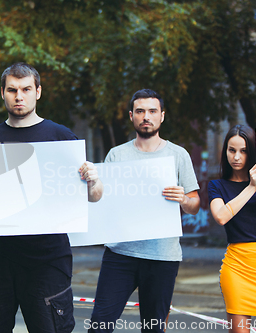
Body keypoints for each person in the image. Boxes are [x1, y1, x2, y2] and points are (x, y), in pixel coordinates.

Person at [0, 62, 104, 333]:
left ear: (38, 92)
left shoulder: (61, 138)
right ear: (2, 93)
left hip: (47, 262)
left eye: (26, 89)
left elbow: (94, 197)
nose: (19, 96)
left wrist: (94, 180)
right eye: (12, 90)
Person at [88, 89, 200, 333]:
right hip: (120, 254)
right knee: (99, 326)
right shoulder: (116, 155)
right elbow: (101, 201)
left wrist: (183, 199)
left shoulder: (178, 155)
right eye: (140, 111)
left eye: (152, 111)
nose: (146, 116)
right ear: (131, 116)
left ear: (162, 116)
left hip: (162, 257)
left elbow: (195, 204)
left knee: (153, 329)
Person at [208, 125, 256, 333]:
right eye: (231, 150)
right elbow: (221, 216)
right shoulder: (217, 186)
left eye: (243, 151)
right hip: (237, 268)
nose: (237, 157)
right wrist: (251, 186)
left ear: (252, 152)